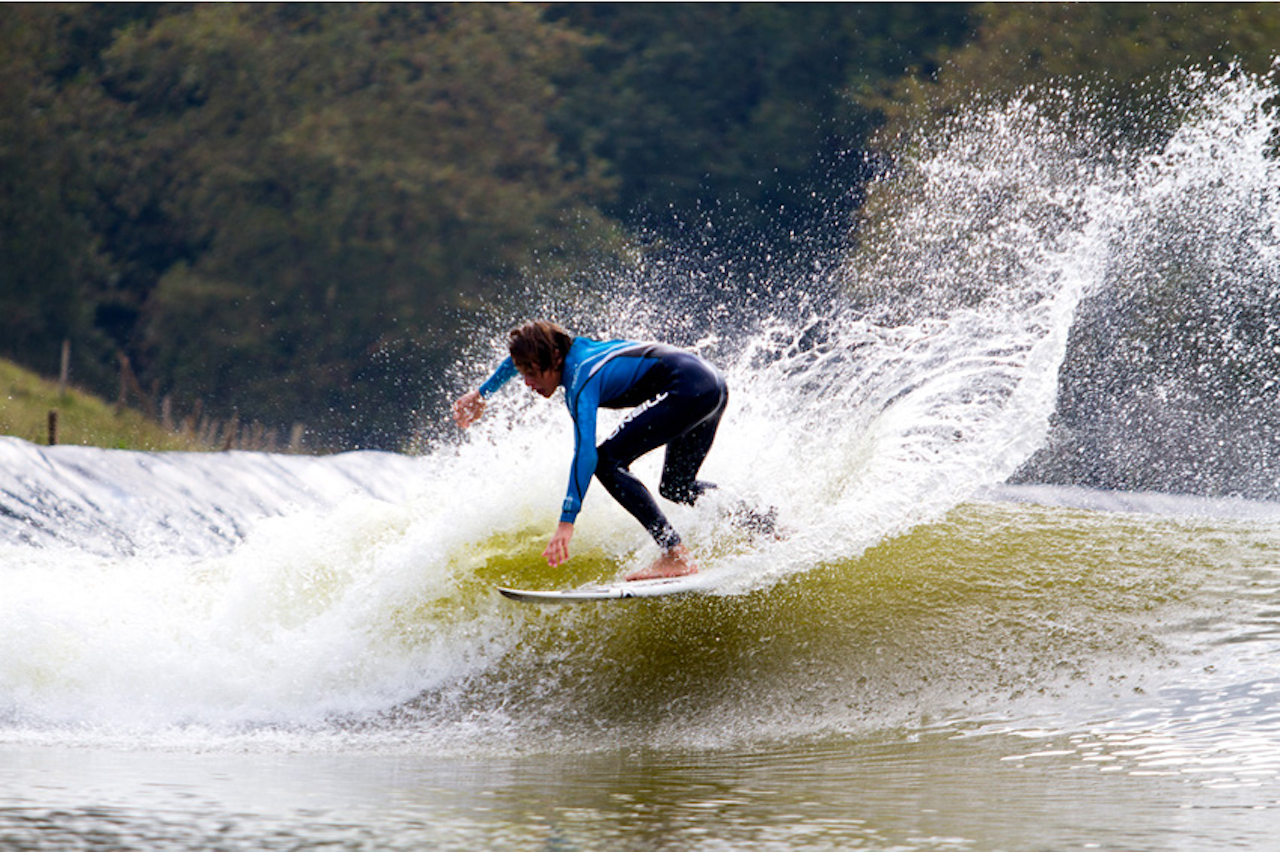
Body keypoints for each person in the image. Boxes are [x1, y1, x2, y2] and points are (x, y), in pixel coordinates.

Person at [452, 320, 728, 581]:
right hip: (712, 384)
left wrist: (567, 520)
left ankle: (674, 553)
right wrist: (482, 393)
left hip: (686, 388)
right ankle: (751, 520)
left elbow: (586, 454)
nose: (527, 383)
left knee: (606, 461)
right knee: (676, 486)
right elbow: (519, 360)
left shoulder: (580, 381)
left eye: (532, 374)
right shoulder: (572, 350)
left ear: (555, 359)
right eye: (524, 373)